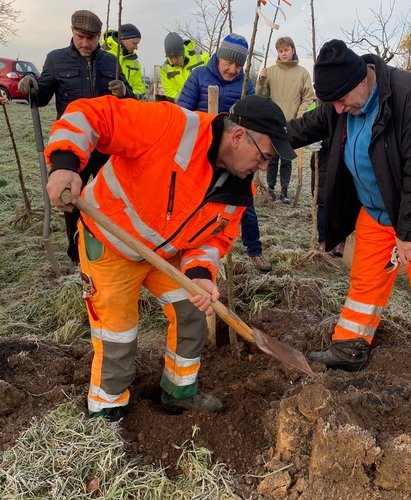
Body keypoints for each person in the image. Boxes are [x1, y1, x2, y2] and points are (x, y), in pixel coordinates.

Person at [44, 94, 295, 420]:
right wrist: (64, 164)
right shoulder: (171, 127)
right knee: (117, 334)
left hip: (164, 254)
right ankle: (107, 411)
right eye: (264, 156)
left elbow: (216, 238)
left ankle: (179, 391)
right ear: (237, 137)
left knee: (193, 309)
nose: (263, 167)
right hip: (110, 245)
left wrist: (201, 274)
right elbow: (92, 114)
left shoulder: (240, 188)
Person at [286, 39, 411, 407]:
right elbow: (308, 126)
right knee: (366, 280)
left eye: (341, 100)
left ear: (362, 79)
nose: (337, 110)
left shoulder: (410, 97)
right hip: (375, 211)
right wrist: (265, 139)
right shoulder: (341, 103)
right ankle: (351, 348)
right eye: (332, 103)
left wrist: (410, 233)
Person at [18, 10, 134, 264]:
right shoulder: (56, 59)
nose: (85, 43)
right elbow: (42, 94)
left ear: (99, 36)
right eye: (80, 36)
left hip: (107, 145)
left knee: (112, 196)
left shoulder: (110, 62)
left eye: (91, 38)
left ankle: (112, 248)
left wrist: (124, 91)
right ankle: (76, 253)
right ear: (72, 32)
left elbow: (131, 101)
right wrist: (30, 86)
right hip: (73, 146)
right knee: (72, 199)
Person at [179, 33, 273, 273]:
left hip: (235, 156)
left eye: (238, 65)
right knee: (194, 203)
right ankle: (186, 249)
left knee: (245, 205)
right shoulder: (198, 76)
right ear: (219, 57)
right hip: (201, 153)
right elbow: (182, 114)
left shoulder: (245, 84)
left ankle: (255, 250)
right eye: (228, 63)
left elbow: (251, 117)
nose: (233, 69)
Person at [257, 36, 315, 203]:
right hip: (273, 123)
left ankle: (284, 191)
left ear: (293, 50)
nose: (283, 53)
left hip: (292, 124)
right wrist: (261, 79)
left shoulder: (302, 73)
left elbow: (308, 97)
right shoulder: (271, 71)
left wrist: (300, 116)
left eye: (286, 50)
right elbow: (261, 95)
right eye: (280, 51)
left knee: (287, 159)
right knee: (272, 157)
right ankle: (270, 189)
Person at [157, 32, 209, 102]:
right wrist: (184, 100)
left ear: (183, 52)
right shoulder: (165, 69)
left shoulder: (202, 58)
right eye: (170, 57)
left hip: (205, 103)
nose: (174, 61)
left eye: (176, 57)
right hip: (183, 106)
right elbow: (170, 91)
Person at [101, 23, 146, 99]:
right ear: (123, 39)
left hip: (127, 106)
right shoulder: (103, 54)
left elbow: (140, 86)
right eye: (134, 43)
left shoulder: (135, 62)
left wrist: (131, 95)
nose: (136, 47)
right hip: (105, 106)